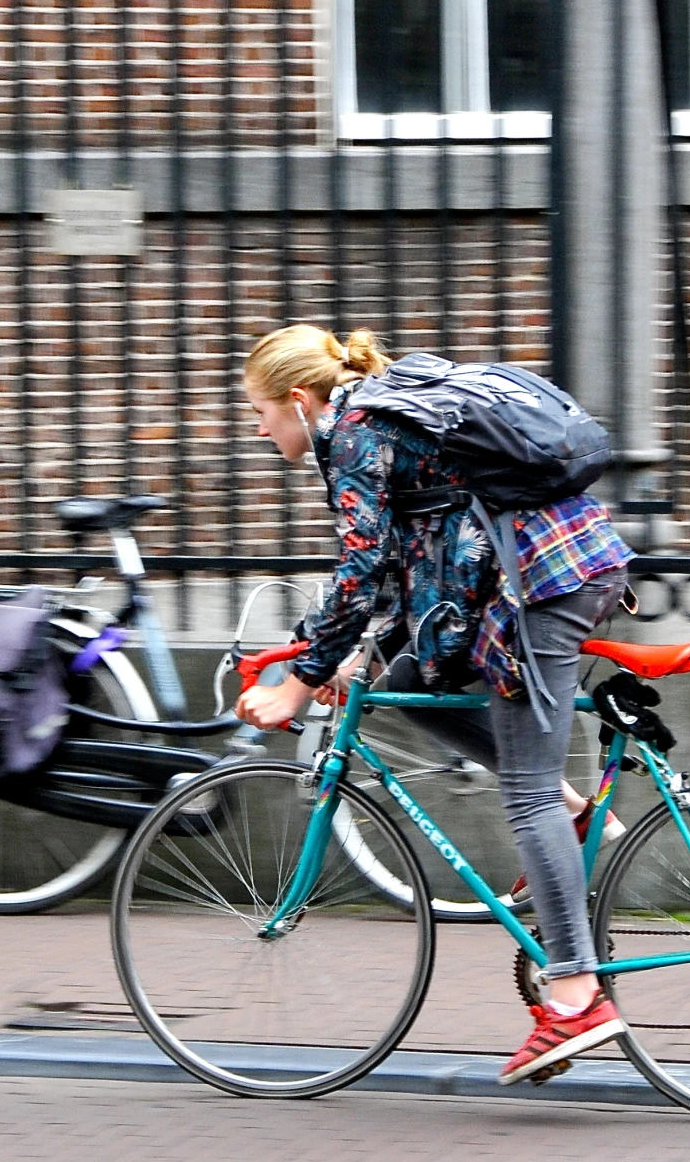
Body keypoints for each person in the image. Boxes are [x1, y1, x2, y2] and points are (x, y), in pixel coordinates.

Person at [232, 323, 634, 1085]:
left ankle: (577, 995)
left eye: (259, 412)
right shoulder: (379, 416)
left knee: (522, 789)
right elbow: (412, 548)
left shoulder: (351, 430)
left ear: (295, 399)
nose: (259, 430)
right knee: (411, 680)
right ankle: (577, 815)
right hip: (547, 568)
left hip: (541, 584)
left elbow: (359, 564)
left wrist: (296, 680)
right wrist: (357, 657)